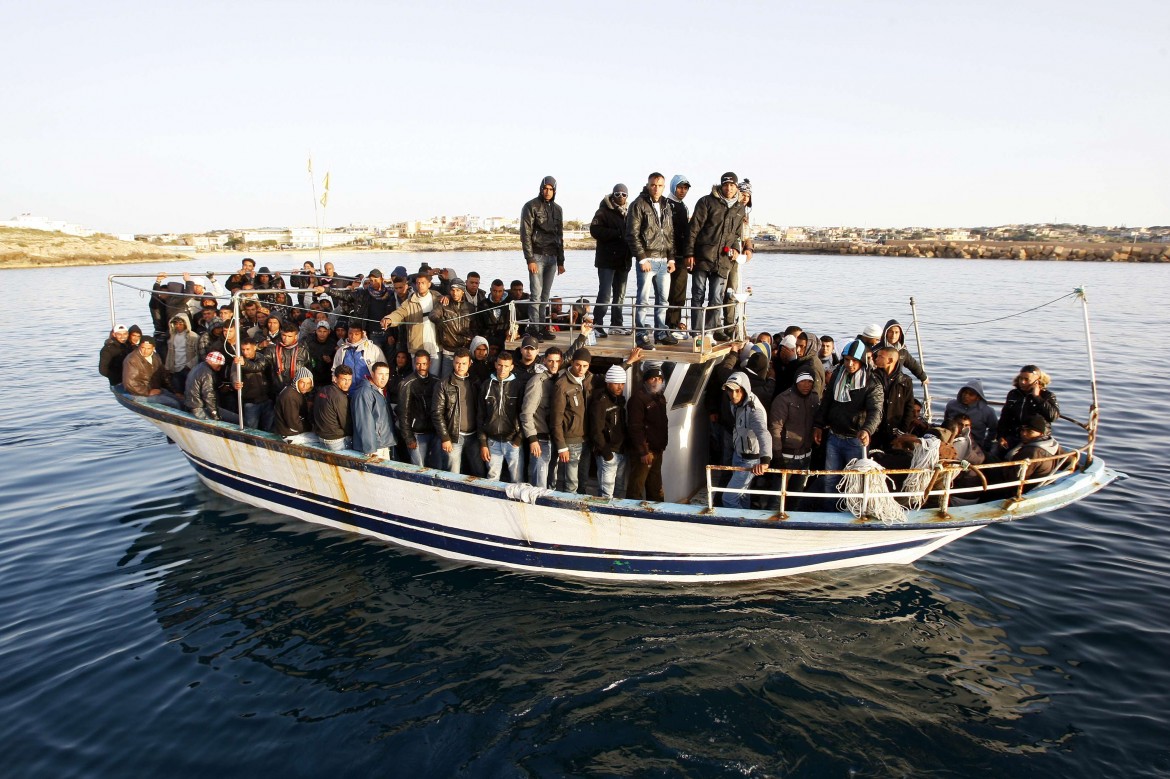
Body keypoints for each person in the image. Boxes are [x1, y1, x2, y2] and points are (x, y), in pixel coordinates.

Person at [814, 340, 884, 494]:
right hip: (834, 437)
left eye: (854, 360)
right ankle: (830, 512)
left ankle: (853, 513)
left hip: (856, 440)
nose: (850, 364)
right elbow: (827, 401)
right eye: (847, 360)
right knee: (830, 480)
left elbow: (876, 411)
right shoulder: (837, 376)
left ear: (862, 361)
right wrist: (818, 425)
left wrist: (867, 430)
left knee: (856, 483)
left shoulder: (872, 383)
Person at [685, 172, 746, 340]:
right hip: (702, 257)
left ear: (736, 186)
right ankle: (696, 332)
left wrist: (735, 249)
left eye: (732, 185)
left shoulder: (740, 209)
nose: (728, 188)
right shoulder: (706, 201)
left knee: (716, 298)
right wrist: (689, 253)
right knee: (698, 294)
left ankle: (710, 332)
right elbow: (693, 229)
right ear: (721, 185)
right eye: (725, 185)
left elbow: (737, 235)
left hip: (723, 261)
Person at [627, 172, 677, 349]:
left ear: (664, 187)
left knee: (663, 300)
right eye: (653, 185)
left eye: (660, 185)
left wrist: (671, 259)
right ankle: (641, 334)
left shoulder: (666, 205)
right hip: (647, 259)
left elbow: (670, 234)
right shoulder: (638, 204)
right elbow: (632, 234)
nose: (656, 188)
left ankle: (661, 332)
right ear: (648, 185)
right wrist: (641, 259)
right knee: (643, 300)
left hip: (664, 260)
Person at [519, 175, 565, 340]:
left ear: (554, 190)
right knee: (536, 295)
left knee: (545, 296)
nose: (547, 191)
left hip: (552, 257)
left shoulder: (558, 209)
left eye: (551, 189)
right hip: (537, 256)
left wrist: (561, 261)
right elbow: (525, 234)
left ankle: (543, 327)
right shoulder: (530, 206)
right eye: (545, 188)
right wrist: (530, 259)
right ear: (541, 188)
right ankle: (534, 329)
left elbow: (560, 236)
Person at [768, 371, 820, 507]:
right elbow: (775, 428)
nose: (806, 385)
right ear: (796, 382)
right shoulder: (783, 399)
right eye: (802, 381)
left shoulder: (815, 398)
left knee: (796, 497)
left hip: (805, 456)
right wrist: (777, 455)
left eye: (810, 381)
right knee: (777, 498)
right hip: (786, 457)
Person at [721, 371, 772, 509]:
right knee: (743, 496)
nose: (733, 395)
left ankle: (739, 526)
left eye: (737, 391)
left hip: (750, 460)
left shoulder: (754, 410)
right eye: (730, 391)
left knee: (729, 498)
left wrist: (765, 460)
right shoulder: (735, 404)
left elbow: (763, 433)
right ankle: (746, 521)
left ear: (744, 390)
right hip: (738, 455)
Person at [589, 183, 632, 337]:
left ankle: (616, 324)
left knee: (620, 294)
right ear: (612, 195)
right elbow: (594, 230)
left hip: (624, 260)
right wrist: (617, 234)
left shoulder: (630, 212)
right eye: (617, 194)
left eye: (624, 194)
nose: (620, 196)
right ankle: (597, 325)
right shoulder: (602, 211)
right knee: (605, 293)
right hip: (606, 260)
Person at [475, 350, 525, 482]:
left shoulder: (518, 386)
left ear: (511, 367)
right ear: (496, 364)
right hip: (492, 441)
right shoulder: (486, 385)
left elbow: (524, 415)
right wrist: (483, 443)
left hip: (512, 441)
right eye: (500, 365)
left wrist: (519, 439)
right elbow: (480, 415)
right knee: (492, 479)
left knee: (517, 480)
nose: (503, 369)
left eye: (506, 366)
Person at [520, 347, 563, 489]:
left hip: (554, 440)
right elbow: (526, 413)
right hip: (540, 440)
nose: (554, 364)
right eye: (550, 361)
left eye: (557, 361)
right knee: (539, 485)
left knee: (552, 482)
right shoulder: (537, 381)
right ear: (544, 361)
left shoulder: (557, 380)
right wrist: (532, 439)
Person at [552, 348, 593, 493]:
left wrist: (629, 363)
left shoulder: (590, 379)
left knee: (583, 481)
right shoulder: (562, 385)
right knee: (571, 484)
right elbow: (556, 419)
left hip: (586, 440)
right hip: (570, 441)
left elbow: (612, 380)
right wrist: (561, 446)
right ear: (571, 362)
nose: (581, 369)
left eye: (585, 365)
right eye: (578, 365)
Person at [433, 348, 478, 474]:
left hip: (474, 436)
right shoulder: (443, 384)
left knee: (478, 472)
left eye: (464, 363)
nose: (460, 366)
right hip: (454, 437)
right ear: (453, 362)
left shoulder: (475, 382)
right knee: (453, 473)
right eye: (458, 363)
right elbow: (437, 413)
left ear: (469, 364)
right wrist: (445, 437)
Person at [626, 366, 668, 501]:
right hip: (644, 452)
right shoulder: (637, 399)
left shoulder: (660, 398)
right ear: (645, 381)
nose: (656, 381)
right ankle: (631, 516)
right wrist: (643, 451)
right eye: (652, 378)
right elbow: (635, 427)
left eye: (659, 379)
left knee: (655, 488)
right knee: (636, 488)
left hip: (657, 450)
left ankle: (656, 515)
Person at [997, 365, 1060, 452]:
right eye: (1020, 378)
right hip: (1015, 435)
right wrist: (1001, 436)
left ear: (1037, 381)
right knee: (996, 452)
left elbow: (1053, 416)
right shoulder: (1013, 394)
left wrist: (1037, 397)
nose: (1022, 382)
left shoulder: (1047, 395)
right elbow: (1004, 418)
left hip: (1037, 438)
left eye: (1027, 379)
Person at [589, 365, 628, 499]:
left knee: (618, 490)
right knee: (606, 494)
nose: (620, 387)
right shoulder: (600, 401)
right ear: (608, 382)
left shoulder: (619, 400)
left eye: (622, 383)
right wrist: (607, 454)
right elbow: (595, 430)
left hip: (621, 451)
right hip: (608, 453)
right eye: (616, 383)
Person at [1002, 414, 1063, 493]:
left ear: (1041, 433)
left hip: (1021, 489)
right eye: (1022, 430)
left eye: (1029, 431)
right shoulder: (1053, 444)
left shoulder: (1031, 452)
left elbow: (1013, 478)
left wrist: (1004, 464)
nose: (1024, 434)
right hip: (1039, 483)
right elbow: (1070, 462)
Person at [398, 350, 438, 468]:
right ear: (414, 364)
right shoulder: (407, 383)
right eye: (418, 364)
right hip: (416, 434)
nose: (421, 367)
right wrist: (408, 437)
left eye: (424, 364)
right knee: (419, 468)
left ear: (429, 363)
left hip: (434, 433)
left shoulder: (437, 381)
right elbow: (403, 413)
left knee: (436, 467)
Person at [871, 345, 916, 450]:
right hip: (876, 429)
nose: (876, 359)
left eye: (880, 357)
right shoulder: (872, 377)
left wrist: (902, 431)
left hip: (895, 429)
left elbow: (909, 407)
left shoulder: (905, 381)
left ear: (890, 360)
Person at [229, 337, 276, 431]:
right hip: (250, 402)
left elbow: (259, 367)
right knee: (251, 430)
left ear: (254, 347)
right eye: (243, 349)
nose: (245, 352)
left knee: (268, 428)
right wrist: (235, 383)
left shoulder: (261, 358)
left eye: (248, 349)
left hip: (266, 399)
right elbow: (234, 374)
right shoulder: (238, 361)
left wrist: (245, 364)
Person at [122, 337, 183, 409]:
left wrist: (174, 392)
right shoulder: (132, 360)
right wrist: (148, 392)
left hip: (155, 389)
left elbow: (164, 376)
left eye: (148, 348)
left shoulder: (156, 356)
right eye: (143, 348)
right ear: (139, 347)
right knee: (174, 403)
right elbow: (129, 383)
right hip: (138, 394)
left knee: (180, 400)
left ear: (153, 348)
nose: (145, 351)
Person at [352, 361, 396, 459]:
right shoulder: (365, 392)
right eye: (380, 374)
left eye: (387, 374)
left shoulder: (379, 390)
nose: (384, 378)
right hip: (375, 447)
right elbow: (364, 422)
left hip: (383, 443)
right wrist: (370, 449)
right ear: (372, 374)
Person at [665, 174, 691, 335]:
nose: (682, 191)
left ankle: (673, 324)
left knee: (679, 292)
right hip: (668, 256)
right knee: (668, 292)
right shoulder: (666, 204)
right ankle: (667, 325)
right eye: (680, 187)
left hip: (681, 256)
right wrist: (670, 256)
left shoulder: (684, 206)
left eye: (685, 188)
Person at [943, 379, 999, 452]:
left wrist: (987, 444)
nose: (966, 396)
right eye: (965, 392)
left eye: (971, 394)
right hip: (950, 440)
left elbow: (994, 429)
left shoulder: (987, 411)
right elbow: (946, 422)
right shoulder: (951, 405)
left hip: (973, 445)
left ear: (978, 397)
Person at [185, 351, 238, 423]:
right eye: (219, 366)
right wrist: (215, 414)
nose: (219, 369)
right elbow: (208, 395)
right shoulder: (207, 373)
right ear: (213, 362)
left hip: (192, 404)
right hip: (200, 407)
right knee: (236, 419)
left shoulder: (198, 367)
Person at [334, 321, 387, 392]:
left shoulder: (374, 349)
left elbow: (384, 369)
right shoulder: (341, 351)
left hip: (368, 392)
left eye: (356, 334)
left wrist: (381, 389)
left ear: (362, 334)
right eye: (350, 333)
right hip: (347, 392)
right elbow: (335, 370)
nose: (353, 336)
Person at [266, 320, 312, 394]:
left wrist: (309, 395)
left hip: (298, 391)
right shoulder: (272, 349)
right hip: (277, 391)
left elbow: (309, 373)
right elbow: (260, 365)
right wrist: (245, 363)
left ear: (296, 336)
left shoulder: (302, 350)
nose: (286, 339)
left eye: (289, 336)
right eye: (284, 335)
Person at [314, 366, 353, 451]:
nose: (347, 383)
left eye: (349, 380)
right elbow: (346, 424)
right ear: (335, 379)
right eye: (343, 379)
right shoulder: (339, 397)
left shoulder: (323, 390)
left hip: (321, 437)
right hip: (336, 441)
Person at [880, 319, 928, 384]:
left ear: (900, 334)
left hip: (896, 383)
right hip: (880, 383)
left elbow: (912, 364)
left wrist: (923, 377)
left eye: (896, 332)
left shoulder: (902, 351)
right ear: (886, 333)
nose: (893, 335)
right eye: (890, 332)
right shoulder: (878, 350)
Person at [473, 279, 515, 351]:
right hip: (487, 341)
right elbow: (478, 325)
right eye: (495, 291)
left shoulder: (510, 303)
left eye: (500, 291)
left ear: (503, 290)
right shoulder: (483, 304)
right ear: (490, 290)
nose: (497, 294)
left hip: (504, 340)